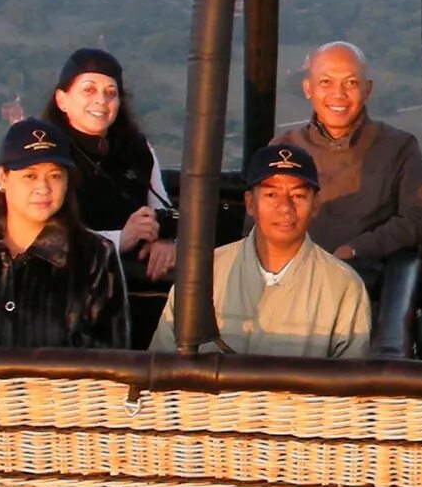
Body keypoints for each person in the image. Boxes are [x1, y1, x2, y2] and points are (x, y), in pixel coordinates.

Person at [0, 116, 129, 349]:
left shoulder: (94, 256)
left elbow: (111, 355)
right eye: (29, 176)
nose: (43, 188)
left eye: (55, 176)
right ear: (2, 178)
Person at [156, 140, 371, 358]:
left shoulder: (343, 285)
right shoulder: (205, 272)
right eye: (271, 195)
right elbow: (161, 364)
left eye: (298, 196)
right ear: (250, 203)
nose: (285, 208)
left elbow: (349, 385)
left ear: (315, 204)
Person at [278, 40, 422, 268]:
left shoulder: (397, 147)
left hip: (365, 280)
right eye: (326, 82)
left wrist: (357, 249)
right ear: (308, 88)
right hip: (292, 277)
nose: (338, 94)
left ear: (367, 90)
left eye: (351, 83)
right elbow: (257, 225)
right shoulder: (284, 149)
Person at [47, 46, 175, 283]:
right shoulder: (46, 155)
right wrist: (119, 239)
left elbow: (160, 205)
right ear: (61, 100)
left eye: (110, 92)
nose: (101, 100)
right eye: (89, 90)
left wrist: (164, 239)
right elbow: (44, 236)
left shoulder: (137, 149)